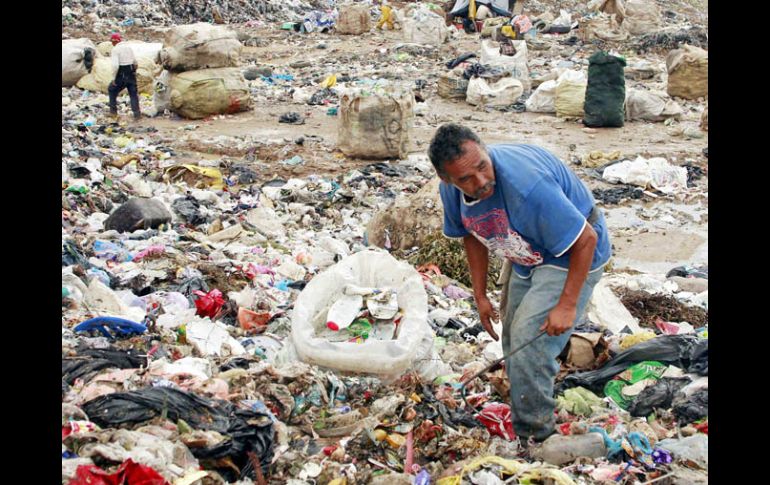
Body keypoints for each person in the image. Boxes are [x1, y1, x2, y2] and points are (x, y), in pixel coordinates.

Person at [428, 124, 611, 442]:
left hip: (570, 253)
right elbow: (471, 234)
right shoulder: (452, 190)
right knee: (513, 338)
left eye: (482, 167)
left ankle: (538, 436)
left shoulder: (526, 186)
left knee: (532, 343)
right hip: (526, 251)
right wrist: (480, 295)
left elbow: (586, 239)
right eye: (466, 179)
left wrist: (567, 305)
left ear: (485, 151)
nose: (481, 181)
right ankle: (525, 401)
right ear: (448, 180)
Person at [108, 33, 141, 120]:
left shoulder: (115, 49)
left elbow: (115, 66)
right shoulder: (128, 48)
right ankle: (137, 115)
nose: (112, 43)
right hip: (131, 72)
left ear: (114, 41)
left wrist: (113, 79)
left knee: (111, 90)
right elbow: (135, 62)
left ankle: (113, 112)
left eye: (112, 42)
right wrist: (134, 72)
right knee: (133, 94)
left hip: (121, 73)